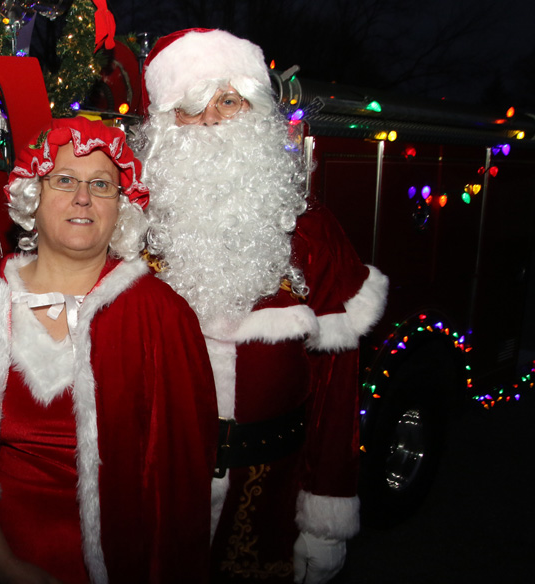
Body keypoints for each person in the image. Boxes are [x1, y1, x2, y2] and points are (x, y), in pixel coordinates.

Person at [136, 29, 389, 584]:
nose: (212, 122)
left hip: (271, 491)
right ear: (162, 127)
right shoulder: (128, 232)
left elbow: (338, 392)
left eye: (229, 101)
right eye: (190, 106)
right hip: (154, 491)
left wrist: (325, 520)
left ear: (257, 112)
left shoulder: (314, 235)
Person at [0, 116, 218, 584]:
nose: (83, 198)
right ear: (32, 197)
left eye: (101, 185)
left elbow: (182, 483)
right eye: (64, 180)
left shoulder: (162, 317)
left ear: (122, 208)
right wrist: (5, 565)